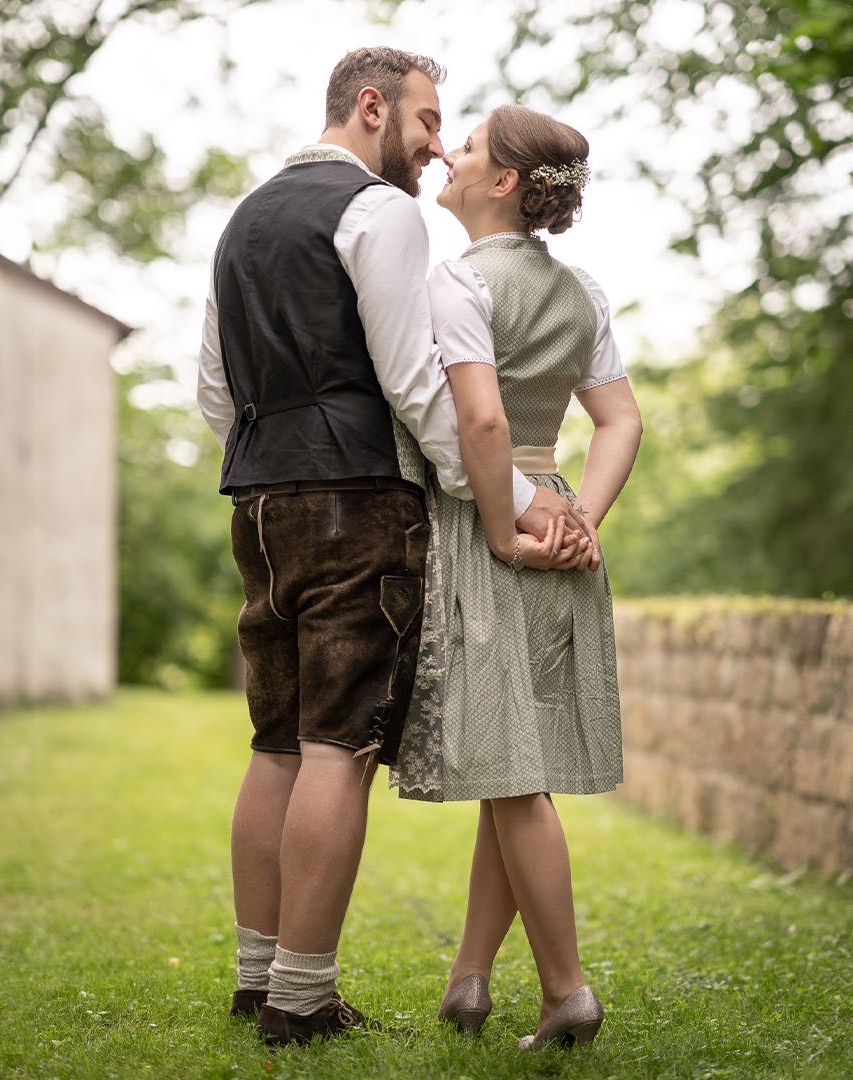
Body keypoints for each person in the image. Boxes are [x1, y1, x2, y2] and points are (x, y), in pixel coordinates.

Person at [196, 49, 584, 1047]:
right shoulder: (378, 212)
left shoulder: (242, 220)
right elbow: (415, 383)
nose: (429, 146)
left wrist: (278, 460)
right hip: (356, 503)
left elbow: (212, 389)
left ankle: (255, 978)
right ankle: (302, 997)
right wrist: (498, 500)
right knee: (338, 743)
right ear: (372, 108)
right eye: (424, 121)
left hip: (259, 499)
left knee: (275, 742)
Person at [394, 104, 642, 1051]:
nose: (447, 155)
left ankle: (567, 990)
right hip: (561, 527)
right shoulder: (581, 292)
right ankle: (468, 976)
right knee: (514, 766)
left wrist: (505, 529)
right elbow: (622, 422)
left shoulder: (457, 281)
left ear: (500, 183)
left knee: (510, 771)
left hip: (491, 524)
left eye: (465, 149)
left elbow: (483, 427)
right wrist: (578, 517)